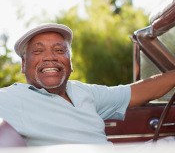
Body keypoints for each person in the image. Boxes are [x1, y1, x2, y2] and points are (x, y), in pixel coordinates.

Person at [0, 23, 175, 146]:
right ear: (23, 64)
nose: (50, 57)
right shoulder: (11, 98)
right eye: (38, 51)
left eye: (60, 50)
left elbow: (137, 91)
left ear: (70, 62)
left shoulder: (84, 92)